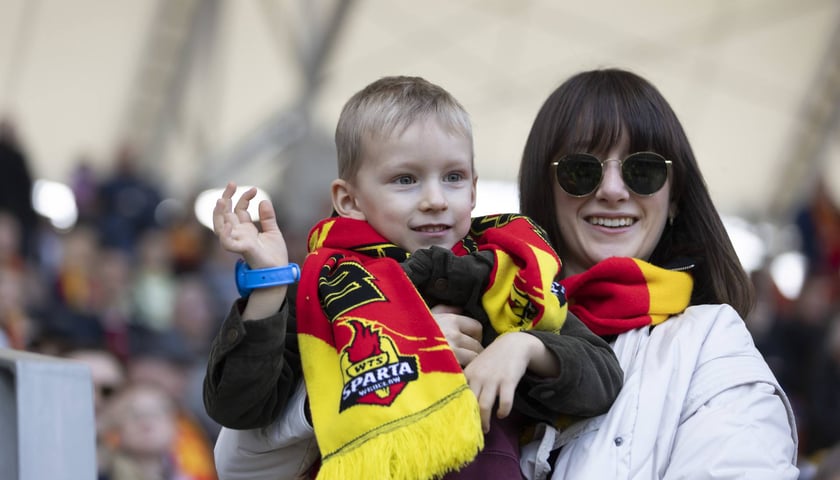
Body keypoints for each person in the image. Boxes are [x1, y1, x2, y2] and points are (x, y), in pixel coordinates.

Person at [204, 76, 623, 479]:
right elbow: (239, 408)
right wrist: (270, 284)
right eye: (405, 180)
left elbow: (603, 379)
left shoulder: (503, 274)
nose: (435, 200)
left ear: (474, 192)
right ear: (349, 200)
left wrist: (524, 347)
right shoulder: (320, 289)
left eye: (453, 178)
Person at [513, 67, 798, 478]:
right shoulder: (487, 326)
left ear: (675, 198)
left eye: (643, 170)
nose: (612, 190)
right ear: (546, 189)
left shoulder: (711, 341)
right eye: (581, 170)